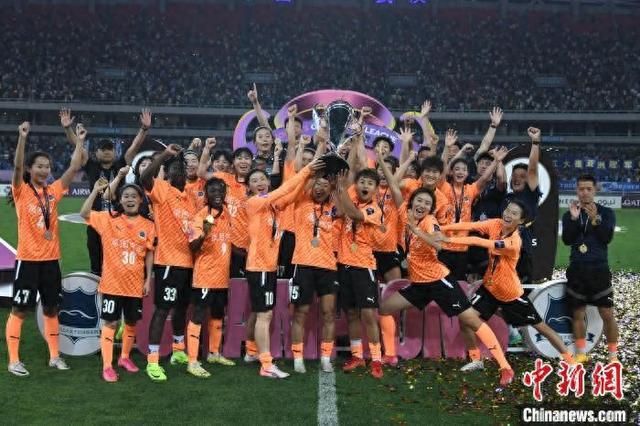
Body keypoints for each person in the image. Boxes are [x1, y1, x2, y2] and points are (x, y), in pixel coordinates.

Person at [379, 188, 516, 387]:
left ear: (431, 209)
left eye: (427, 203)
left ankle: (505, 367)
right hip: (419, 284)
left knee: (470, 319)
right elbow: (393, 184)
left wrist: (417, 231)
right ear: (411, 203)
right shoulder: (406, 216)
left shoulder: (429, 221)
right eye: (419, 201)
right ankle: (390, 355)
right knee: (385, 308)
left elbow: (438, 245)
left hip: (439, 282)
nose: (422, 205)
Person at [440, 200, 575, 372]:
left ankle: (571, 362)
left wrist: (447, 238)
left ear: (521, 221)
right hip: (489, 289)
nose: (508, 214)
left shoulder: (514, 242)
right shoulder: (495, 224)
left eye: (514, 213)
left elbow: (481, 242)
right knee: (465, 320)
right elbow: (471, 225)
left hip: (511, 294)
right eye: (507, 210)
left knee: (542, 327)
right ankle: (476, 360)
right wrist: (442, 228)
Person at [5, 121, 84, 376]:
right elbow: (17, 166)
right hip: (28, 261)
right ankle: (14, 360)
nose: (44, 170)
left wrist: (80, 140)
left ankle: (54, 356)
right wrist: (22, 138)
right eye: (39, 166)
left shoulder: (53, 191)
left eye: (47, 166)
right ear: (30, 169)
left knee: (51, 309)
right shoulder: (21, 191)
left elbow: (74, 166)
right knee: (20, 310)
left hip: (51, 261)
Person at [244, 159, 323, 378]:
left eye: (262, 179)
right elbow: (284, 189)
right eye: (254, 181)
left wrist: (309, 177)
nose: (259, 183)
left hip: (267, 268)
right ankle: (266, 365)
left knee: (259, 312)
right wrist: (306, 170)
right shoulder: (254, 203)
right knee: (265, 314)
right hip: (259, 267)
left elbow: (294, 194)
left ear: (268, 182)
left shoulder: (275, 206)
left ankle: (251, 352)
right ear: (248, 187)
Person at [79, 175, 155, 382]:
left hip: (135, 284)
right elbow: (84, 213)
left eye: (134, 196)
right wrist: (95, 191)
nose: (130, 199)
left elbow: (150, 252)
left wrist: (148, 280)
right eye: (126, 196)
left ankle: (124, 358)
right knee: (111, 323)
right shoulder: (108, 219)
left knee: (131, 323)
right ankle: (107, 366)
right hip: (113, 284)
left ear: (140, 200)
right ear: (120, 200)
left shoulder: (148, 225)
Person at [60, 108, 151, 276]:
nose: (107, 151)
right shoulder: (91, 165)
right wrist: (67, 129)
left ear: (115, 152)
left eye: (110, 148)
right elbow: (77, 145)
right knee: (95, 257)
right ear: (97, 152)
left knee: (117, 256)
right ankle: (96, 282)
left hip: (118, 219)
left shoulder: (120, 164)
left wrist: (144, 129)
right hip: (96, 219)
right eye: (103, 149)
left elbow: (135, 146)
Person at [139, 144, 197, 382]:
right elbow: (144, 177)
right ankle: (152, 360)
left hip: (188, 263)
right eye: (174, 169)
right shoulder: (162, 190)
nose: (179, 172)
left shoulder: (190, 199)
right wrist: (164, 156)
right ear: (168, 173)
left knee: (182, 308)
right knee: (162, 309)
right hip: (168, 262)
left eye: (182, 168)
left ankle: (178, 350)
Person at [562, 174, 619, 363]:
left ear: (595, 190)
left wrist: (596, 220)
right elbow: (567, 240)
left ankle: (613, 356)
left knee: (607, 314)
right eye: (581, 189)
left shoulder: (607, 213)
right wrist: (573, 219)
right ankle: (581, 353)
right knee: (578, 313)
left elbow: (606, 239)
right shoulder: (570, 213)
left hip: (598, 270)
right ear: (576, 190)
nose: (585, 192)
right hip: (577, 270)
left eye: (588, 189)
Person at [334, 168, 385, 379]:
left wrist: (341, 188)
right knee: (352, 314)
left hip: (364, 267)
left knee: (368, 315)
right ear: (356, 185)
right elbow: (340, 212)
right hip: (343, 265)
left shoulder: (374, 209)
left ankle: (376, 359)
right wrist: (340, 188)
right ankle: (357, 356)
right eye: (362, 182)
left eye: (370, 183)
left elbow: (355, 215)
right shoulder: (350, 201)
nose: (365, 186)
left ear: (376, 189)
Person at [184, 177, 235, 378]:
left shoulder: (227, 214)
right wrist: (204, 233)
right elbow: (192, 247)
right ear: (206, 194)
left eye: (220, 190)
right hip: (205, 276)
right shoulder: (200, 216)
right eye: (212, 191)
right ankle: (192, 361)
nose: (217, 194)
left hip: (222, 277)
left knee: (217, 315)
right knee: (198, 315)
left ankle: (214, 353)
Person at [289, 175, 337, 374]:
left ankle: (325, 358)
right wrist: (312, 173)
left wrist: (338, 184)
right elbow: (300, 182)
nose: (321, 188)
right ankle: (298, 358)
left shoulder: (334, 208)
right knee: (300, 312)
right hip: (303, 265)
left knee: (329, 313)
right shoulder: (301, 202)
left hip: (328, 267)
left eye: (325, 185)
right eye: (318, 184)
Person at [198, 141, 252, 278]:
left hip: (245, 244)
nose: (243, 161)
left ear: (251, 162)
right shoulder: (223, 178)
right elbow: (201, 172)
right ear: (233, 163)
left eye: (247, 158)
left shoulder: (255, 184)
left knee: (239, 284)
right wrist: (207, 149)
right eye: (239, 158)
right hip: (223, 240)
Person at [499, 127, 543, 283]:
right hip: (503, 247)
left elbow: (532, 168)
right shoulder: (507, 197)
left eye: (522, 176)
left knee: (522, 287)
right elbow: (500, 179)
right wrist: (498, 160)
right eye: (515, 175)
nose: (517, 179)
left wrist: (535, 142)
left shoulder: (530, 194)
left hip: (523, 248)